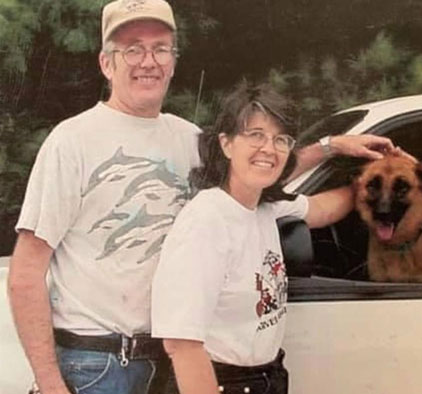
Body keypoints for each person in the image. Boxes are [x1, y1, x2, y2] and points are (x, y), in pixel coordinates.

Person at [7, 1, 392, 393]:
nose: (148, 61)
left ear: (173, 62)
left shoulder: (187, 138)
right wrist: (51, 383)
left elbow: (254, 171)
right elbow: (26, 273)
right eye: (132, 49)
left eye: (160, 48)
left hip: (169, 361)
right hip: (98, 366)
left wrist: (328, 148)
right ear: (107, 63)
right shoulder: (71, 142)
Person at [149, 84, 357, 394]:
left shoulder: (265, 208)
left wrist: (367, 185)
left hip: (266, 378)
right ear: (226, 144)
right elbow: (181, 345)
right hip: (221, 382)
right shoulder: (206, 222)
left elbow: (322, 209)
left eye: (280, 139)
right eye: (255, 135)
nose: (268, 149)